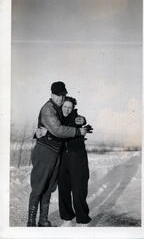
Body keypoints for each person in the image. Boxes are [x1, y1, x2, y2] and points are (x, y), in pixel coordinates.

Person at [27, 81, 87, 227]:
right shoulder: (48, 109)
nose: (61, 98)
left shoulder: (58, 108)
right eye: (58, 95)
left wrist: (82, 120)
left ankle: (43, 220)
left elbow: (72, 117)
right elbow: (58, 130)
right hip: (45, 152)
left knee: (49, 187)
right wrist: (78, 131)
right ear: (52, 94)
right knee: (39, 186)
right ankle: (30, 222)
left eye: (63, 95)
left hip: (55, 154)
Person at [58, 96, 91, 225]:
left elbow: (81, 120)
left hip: (77, 156)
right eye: (65, 107)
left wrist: (83, 121)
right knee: (64, 187)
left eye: (69, 107)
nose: (67, 109)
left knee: (79, 188)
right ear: (61, 106)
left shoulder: (76, 118)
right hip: (62, 157)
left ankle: (82, 218)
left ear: (73, 108)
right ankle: (67, 216)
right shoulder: (57, 119)